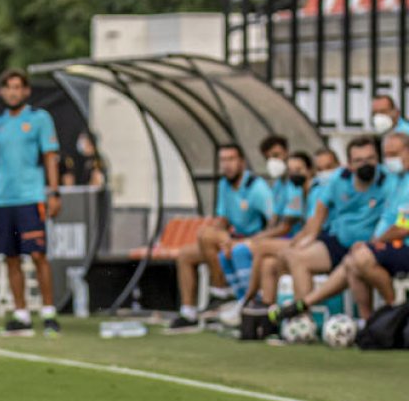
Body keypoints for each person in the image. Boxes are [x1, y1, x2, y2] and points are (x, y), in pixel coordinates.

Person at [271, 134, 407, 324]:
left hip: (378, 245)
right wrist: (309, 237)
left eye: (371, 159)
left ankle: (391, 316)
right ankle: (303, 318)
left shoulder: (391, 180)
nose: (366, 164)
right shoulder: (340, 179)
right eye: (359, 160)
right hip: (343, 242)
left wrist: (375, 241)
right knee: (293, 256)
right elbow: (320, 209)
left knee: (356, 259)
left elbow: (403, 225)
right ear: (349, 164)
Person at [0, 68, 62, 337]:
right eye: (8, 87)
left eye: (18, 87)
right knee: (11, 257)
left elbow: (50, 157)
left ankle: (48, 314)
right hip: (3, 200)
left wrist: (54, 192)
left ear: (26, 91)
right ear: (2, 92)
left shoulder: (39, 119)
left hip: (31, 197)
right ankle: (21, 315)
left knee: (38, 255)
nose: (13, 92)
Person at [166, 144, 273, 333]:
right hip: (232, 239)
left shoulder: (257, 187)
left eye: (231, 159)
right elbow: (223, 219)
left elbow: (274, 221)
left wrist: (249, 240)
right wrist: (218, 233)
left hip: (252, 241)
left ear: (242, 162)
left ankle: (221, 292)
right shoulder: (225, 184)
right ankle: (188, 312)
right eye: (223, 160)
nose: (227, 165)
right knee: (186, 254)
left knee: (206, 236)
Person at [217, 136, 301, 304]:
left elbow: (285, 227)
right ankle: (243, 300)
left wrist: (252, 240)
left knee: (242, 250)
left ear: (287, 154)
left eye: (277, 155)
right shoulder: (278, 184)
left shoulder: (294, 183)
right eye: (269, 157)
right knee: (225, 253)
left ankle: (250, 300)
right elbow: (273, 221)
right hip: (280, 239)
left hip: (295, 239)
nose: (274, 161)